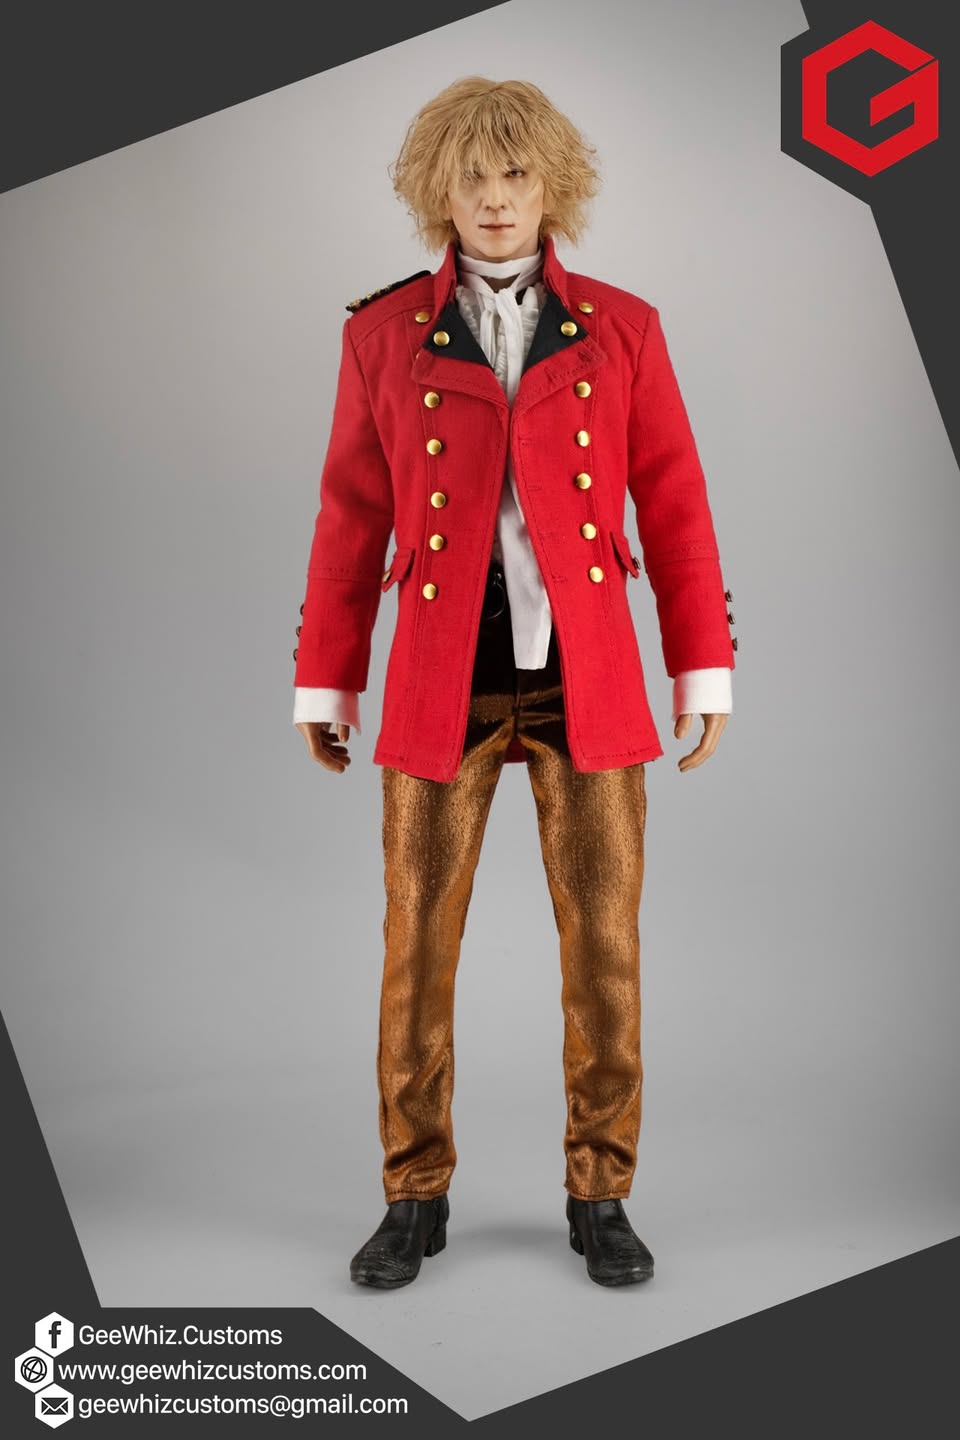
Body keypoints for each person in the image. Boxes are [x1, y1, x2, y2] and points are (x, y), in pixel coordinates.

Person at [292, 77, 736, 1288]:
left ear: (554, 185)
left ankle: (602, 1194)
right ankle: (413, 1195)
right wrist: (328, 685)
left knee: (605, 952)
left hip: (589, 684)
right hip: (441, 685)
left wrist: (701, 667)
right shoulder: (380, 334)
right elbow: (350, 521)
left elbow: (677, 505)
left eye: (517, 175)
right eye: (473, 177)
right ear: (437, 188)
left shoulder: (624, 327)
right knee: (415, 950)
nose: (495, 200)